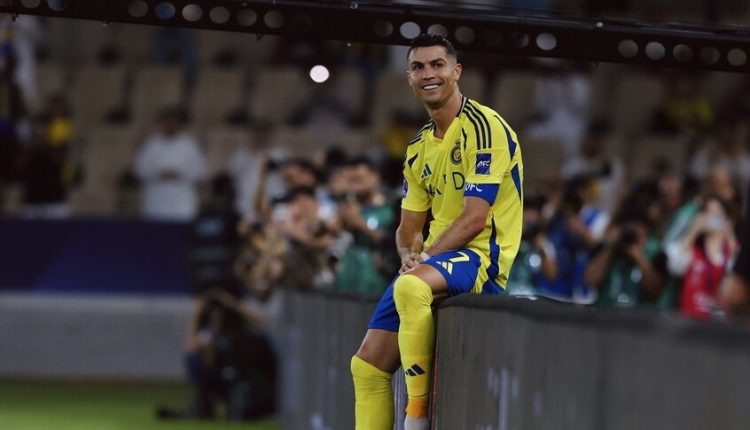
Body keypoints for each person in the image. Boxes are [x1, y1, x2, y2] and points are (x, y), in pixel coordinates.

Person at [350, 34, 523, 430]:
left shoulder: (485, 127)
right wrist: (409, 255)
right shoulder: (417, 148)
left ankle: (417, 417)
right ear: (409, 78)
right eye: (418, 67)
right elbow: (408, 227)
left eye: (437, 65)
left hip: (482, 257)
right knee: (366, 367)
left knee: (410, 287)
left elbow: (474, 219)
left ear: (456, 71)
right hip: (437, 261)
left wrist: (424, 259)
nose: (428, 74)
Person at [134, 107, 206, 221]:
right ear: (161, 123)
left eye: (173, 122)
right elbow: (140, 170)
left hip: (181, 202)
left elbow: (199, 172)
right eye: (166, 122)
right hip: (155, 200)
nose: (170, 125)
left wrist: (179, 174)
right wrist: (159, 174)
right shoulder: (150, 145)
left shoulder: (190, 146)